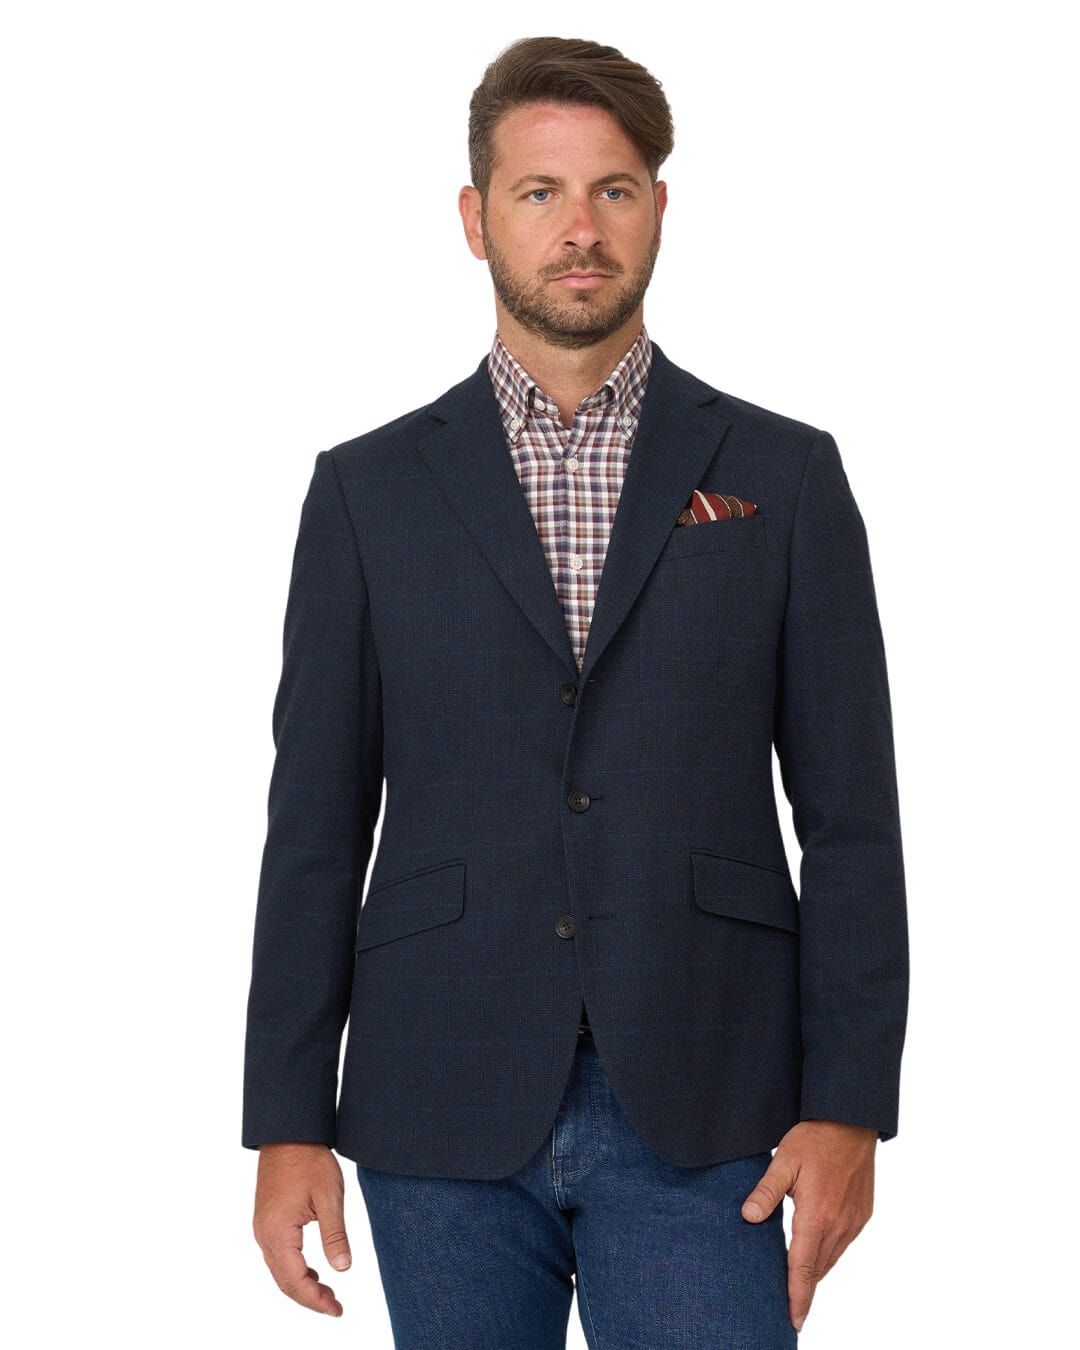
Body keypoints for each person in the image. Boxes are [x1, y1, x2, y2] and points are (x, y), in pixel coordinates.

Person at [243, 35, 909, 1348]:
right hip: (439, 1099)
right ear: (475, 219)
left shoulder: (785, 475)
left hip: (714, 1096)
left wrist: (850, 1106)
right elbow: (314, 824)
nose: (580, 229)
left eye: (613, 189)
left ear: (658, 207)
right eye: (539, 192)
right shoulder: (366, 494)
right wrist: (284, 1119)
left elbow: (852, 821)